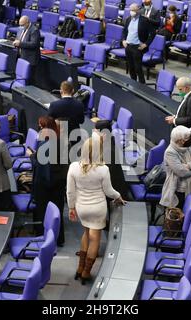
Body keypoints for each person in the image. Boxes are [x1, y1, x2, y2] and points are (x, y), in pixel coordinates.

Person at [67, 137, 126, 284]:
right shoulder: (103, 169)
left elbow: (70, 191)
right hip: (98, 209)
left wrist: (71, 207)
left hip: (82, 208)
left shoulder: (74, 167)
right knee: (95, 239)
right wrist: (118, 196)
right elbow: (109, 191)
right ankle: (86, 272)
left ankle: (79, 269)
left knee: (86, 233)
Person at [32, 116, 68, 246]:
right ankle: (58, 238)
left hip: (45, 186)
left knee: (43, 213)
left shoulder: (45, 144)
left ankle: (44, 239)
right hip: (58, 183)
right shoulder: (61, 141)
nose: (40, 129)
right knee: (57, 212)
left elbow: (41, 165)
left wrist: (32, 156)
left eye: (42, 127)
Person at [160, 126, 191, 210]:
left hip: (189, 185)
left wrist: (188, 165)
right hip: (177, 189)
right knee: (178, 216)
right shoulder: (170, 152)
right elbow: (181, 172)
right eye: (187, 138)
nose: (189, 139)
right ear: (180, 141)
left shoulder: (187, 147)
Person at [122, 3, 155, 84]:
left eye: (133, 10)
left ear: (138, 10)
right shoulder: (128, 19)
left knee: (138, 68)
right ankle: (133, 83)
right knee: (131, 68)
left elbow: (153, 33)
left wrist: (146, 44)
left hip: (138, 47)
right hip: (128, 46)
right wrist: (123, 40)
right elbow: (125, 31)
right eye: (130, 10)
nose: (131, 12)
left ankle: (142, 85)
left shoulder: (144, 20)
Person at [165, 77, 191, 147]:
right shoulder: (187, 95)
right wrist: (175, 116)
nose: (179, 91)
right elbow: (184, 111)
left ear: (186, 88)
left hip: (186, 137)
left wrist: (174, 120)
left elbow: (190, 119)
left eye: (180, 89)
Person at [13, 15, 41, 83]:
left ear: (27, 22)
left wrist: (20, 44)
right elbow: (18, 39)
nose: (21, 27)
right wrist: (15, 43)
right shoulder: (21, 29)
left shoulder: (34, 30)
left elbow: (34, 44)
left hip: (29, 59)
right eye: (20, 25)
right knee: (19, 78)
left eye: (22, 25)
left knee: (28, 80)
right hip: (21, 56)